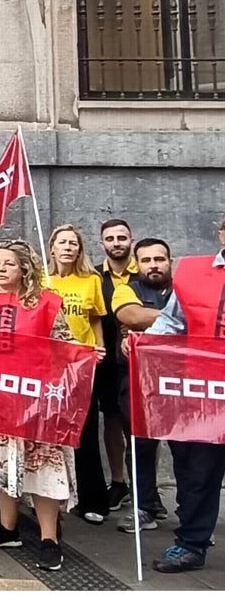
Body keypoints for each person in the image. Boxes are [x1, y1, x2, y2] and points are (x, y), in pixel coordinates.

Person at [0, 240, 86, 572]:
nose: (0, 268)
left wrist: (86, 351)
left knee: (42, 467)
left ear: (24, 268)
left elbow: (65, 341)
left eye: (8, 263)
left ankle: (49, 538)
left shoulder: (46, 303)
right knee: (5, 465)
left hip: (37, 400)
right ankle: (8, 528)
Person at [137, 224, 225, 573]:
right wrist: (144, 346)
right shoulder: (192, 272)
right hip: (202, 394)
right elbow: (171, 324)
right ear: (221, 233)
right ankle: (191, 543)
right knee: (196, 471)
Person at [45, 223, 110, 524]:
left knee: (84, 430)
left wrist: (99, 348)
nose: (68, 247)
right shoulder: (42, 282)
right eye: (63, 242)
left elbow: (95, 320)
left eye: (73, 243)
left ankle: (92, 498)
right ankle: (50, 495)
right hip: (52, 363)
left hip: (83, 364)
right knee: (51, 431)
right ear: (53, 247)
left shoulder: (91, 281)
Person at [112, 237, 173, 533]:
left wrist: (150, 324)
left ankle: (191, 516)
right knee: (140, 446)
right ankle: (144, 507)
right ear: (138, 264)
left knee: (188, 450)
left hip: (179, 382)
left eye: (159, 259)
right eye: (147, 260)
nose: (154, 265)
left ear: (170, 261)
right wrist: (179, 319)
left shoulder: (184, 289)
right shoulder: (127, 289)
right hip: (138, 381)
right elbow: (130, 314)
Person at [96, 218, 135, 512]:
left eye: (122, 237)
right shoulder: (95, 277)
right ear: (102, 244)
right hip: (108, 360)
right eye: (110, 239)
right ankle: (119, 482)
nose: (116, 243)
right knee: (111, 418)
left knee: (139, 425)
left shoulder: (145, 271)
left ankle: (144, 487)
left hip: (139, 361)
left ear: (131, 240)